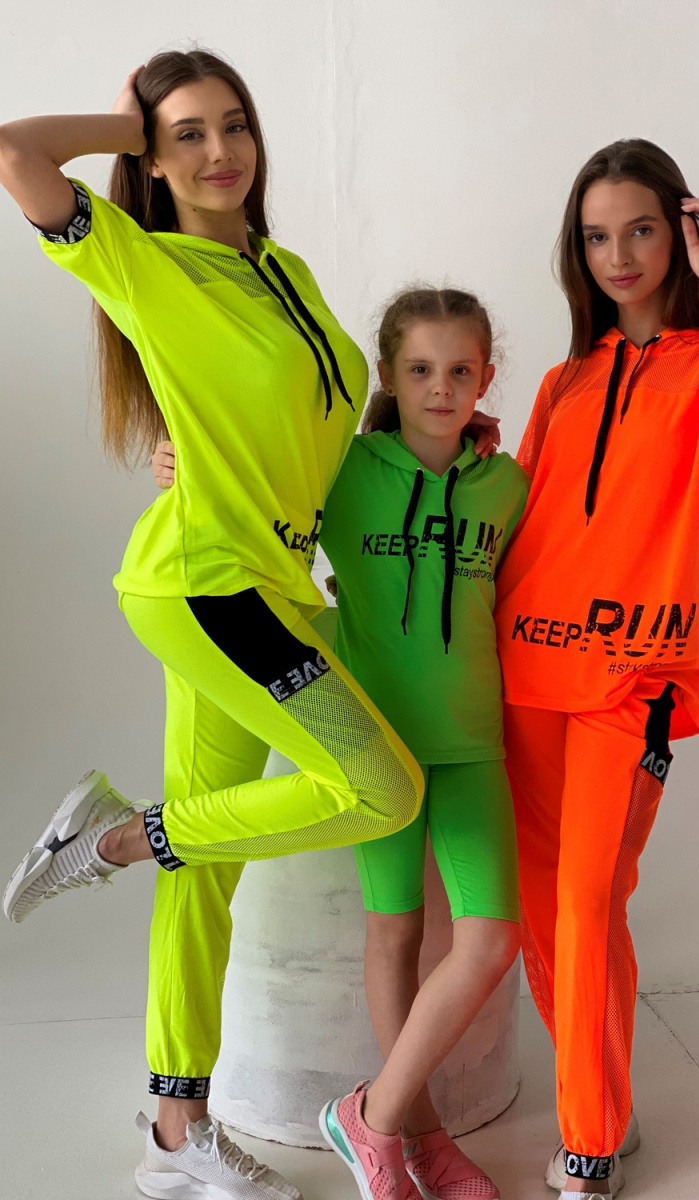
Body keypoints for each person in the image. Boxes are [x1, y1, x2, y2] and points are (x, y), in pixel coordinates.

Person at [0, 50, 425, 1200]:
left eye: (233, 124)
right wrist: (124, 126)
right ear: (151, 155)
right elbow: (13, 152)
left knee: (209, 858)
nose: (219, 150)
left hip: (271, 588)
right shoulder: (147, 263)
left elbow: (307, 426)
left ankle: (173, 1128)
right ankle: (113, 841)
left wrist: (426, 429)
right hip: (205, 588)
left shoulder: (281, 269)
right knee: (382, 788)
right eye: (186, 134)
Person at [153, 285, 528, 1200]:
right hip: (377, 746)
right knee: (395, 933)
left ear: (485, 377)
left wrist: (687, 562)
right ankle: (417, 1141)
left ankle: (373, 1115)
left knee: (489, 940)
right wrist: (185, 461)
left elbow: (558, 569)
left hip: (473, 745)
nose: (441, 388)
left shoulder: (509, 486)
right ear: (389, 376)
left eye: (460, 371)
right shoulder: (345, 470)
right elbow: (257, 482)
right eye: (420, 369)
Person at [492, 139, 699, 1198]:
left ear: (680, 231)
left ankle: (586, 1141)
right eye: (595, 237)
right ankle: (602, 1111)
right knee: (542, 913)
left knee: (586, 901)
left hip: (632, 680)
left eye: (641, 230)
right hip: (525, 672)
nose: (617, 255)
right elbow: (519, 514)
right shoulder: (562, 381)